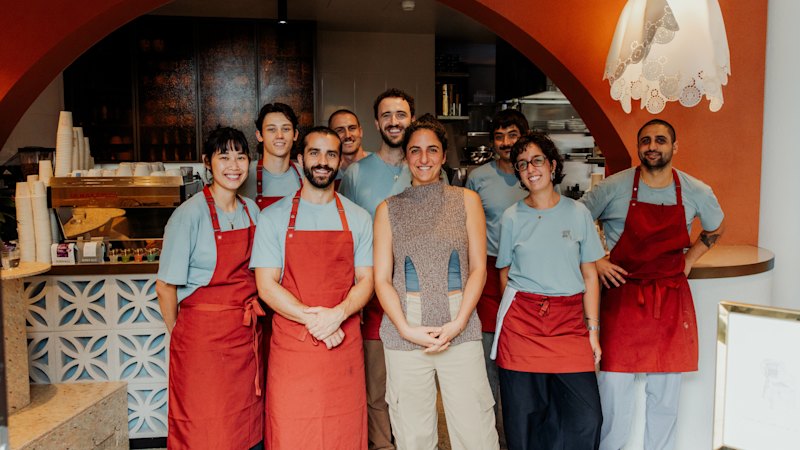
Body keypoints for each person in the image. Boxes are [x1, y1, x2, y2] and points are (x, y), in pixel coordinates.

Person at [580, 119, 725, 450]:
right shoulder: (614, 187)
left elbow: (716, 228)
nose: (652, 146)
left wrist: (689, 260)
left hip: (670, 300)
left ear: (675, 147)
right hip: (622, 299)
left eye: (661, 140)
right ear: (638, 147)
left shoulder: (695, 190)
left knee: (665, 397)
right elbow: (573, 221)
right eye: (645, 140)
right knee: (614, 393)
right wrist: (597, 261)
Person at [374, 115, 499, 450]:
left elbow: (477, 270)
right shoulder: (388, 210)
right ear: (406, 156)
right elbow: (382, 280)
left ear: (444, 155)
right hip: (406, 327)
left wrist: (458, 323)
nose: (424, 158)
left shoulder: (466, 200)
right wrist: (404, 328)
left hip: (460, 320)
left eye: (432, 150)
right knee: (413, 435)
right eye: (415, 151)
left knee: (476, 432)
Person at [251, 126, 374, 449]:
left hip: (343, 346)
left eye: (331, 154)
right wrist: (317, 320)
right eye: (315, 153)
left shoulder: (359, 218)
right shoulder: (273, 218)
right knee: (293, 431)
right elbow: (266, 285)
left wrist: (339, 314)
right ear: (300, 158)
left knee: (343, 430)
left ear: (339, 160)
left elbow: (367, 280)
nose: (323, 161)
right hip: (294, 346)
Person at [490, 132, 604, 449]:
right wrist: (517, 316)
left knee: (587, 418)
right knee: (525, 417)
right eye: (522, 163)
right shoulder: (511, 217)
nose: (531, 168)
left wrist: (592, 330)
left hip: (569, 325)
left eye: (537, 160)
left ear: (552, 165)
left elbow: (590, 275)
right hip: (522, 325)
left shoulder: (578, 212)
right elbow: (505, 274)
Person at [156, 126, 264, 450]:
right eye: (224, 156)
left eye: (240, 156)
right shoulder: (188, 215)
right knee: (205, 426)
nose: (234, 165)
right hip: (201, 342)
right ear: (207, 162)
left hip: (245, 337)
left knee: (244, 422)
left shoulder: (252, 210)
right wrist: (182, 334)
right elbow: (164, 286)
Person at [338, 88, 416, 450]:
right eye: (387, 115)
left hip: (416, 289)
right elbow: (346, 236)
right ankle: (384, 445)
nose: (394, 122)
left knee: (413, 382)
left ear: (411, 119)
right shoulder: (355, 174)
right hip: (373, 294)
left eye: (400, 114)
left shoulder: (426, 167)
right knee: (377, 382)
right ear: (376, 123)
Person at [465, 108, 529, 412]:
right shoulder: (478, 178)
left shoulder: (534, 175)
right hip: (489, 272)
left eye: (512, 135)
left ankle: (519, 427)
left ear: (524, 137)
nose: (505, 142)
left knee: (522, 353)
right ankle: (492, 432)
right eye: (499, 136)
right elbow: (463, 226)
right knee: (488, 353)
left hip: (529, 274)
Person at [241, 102, 304, 210]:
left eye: (286, 129)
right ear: (259, 135)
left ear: (295, 135)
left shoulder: (306, 175)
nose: (279, 135)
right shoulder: (242, 175)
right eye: (271, 129)